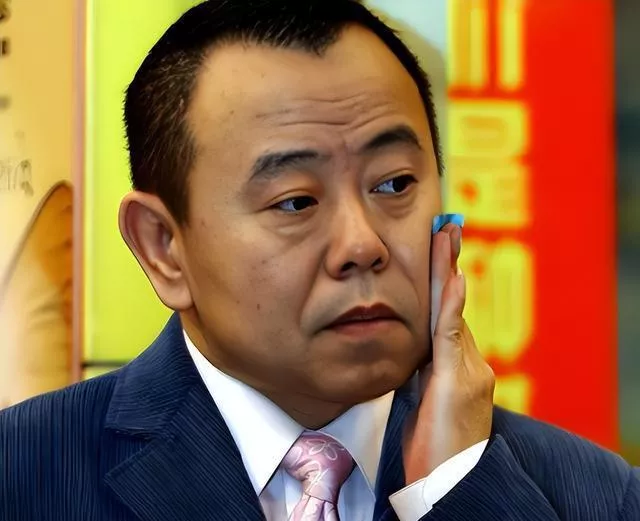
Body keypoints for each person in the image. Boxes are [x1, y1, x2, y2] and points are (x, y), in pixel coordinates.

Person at [1, 1, 638, 519]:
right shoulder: (23, 476)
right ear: (163, 247)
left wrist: (454, 495)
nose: (363, 245)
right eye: (296, 201)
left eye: (394, 184)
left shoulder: (597, 497)